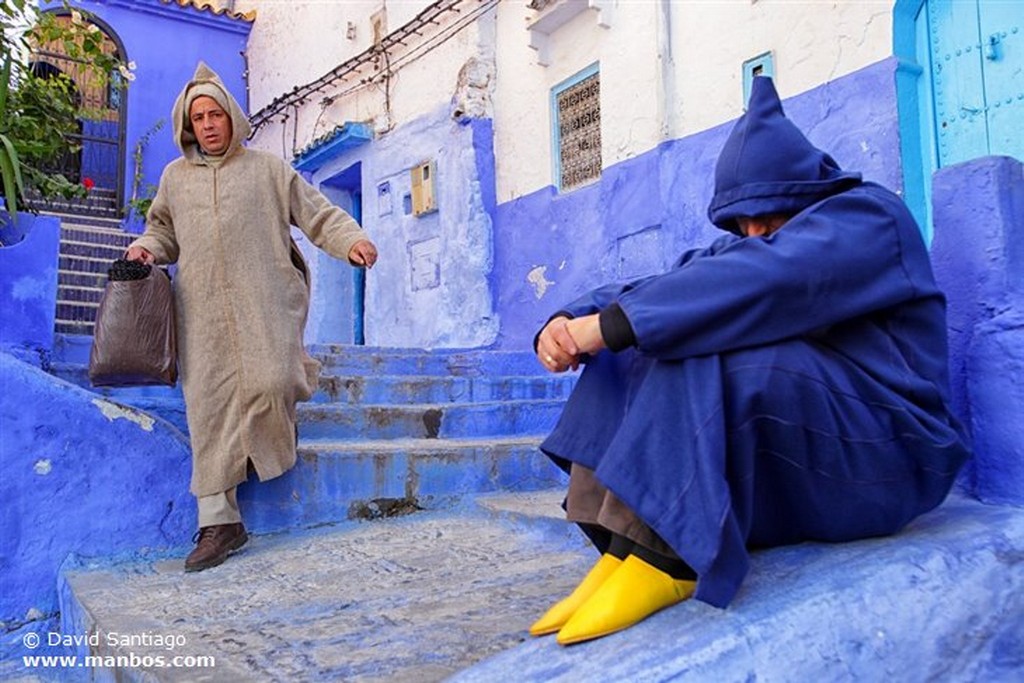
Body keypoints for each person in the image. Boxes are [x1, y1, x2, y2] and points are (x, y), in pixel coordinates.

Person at [530, 77, 970, 646]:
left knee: (690, 330)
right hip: (817, 456)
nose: (754, 233)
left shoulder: (869, 218)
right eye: (742, 223)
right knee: (637, 337)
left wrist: (611, 324)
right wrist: (568, 321)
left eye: (770, 216)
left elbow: (771, 276)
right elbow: (668, 282)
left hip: (900, 453)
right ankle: (622, 546)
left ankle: (668, 558)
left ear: (805, 191)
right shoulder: (749, 242)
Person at [125, 62, 378, 572]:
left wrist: (351, 239)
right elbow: (163, 234)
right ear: (187, 127)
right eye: (199, 118)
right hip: (201, 314)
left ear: (233, 118)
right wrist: (146, 249)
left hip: (265, 301)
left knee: (271, 380)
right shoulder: (175, 179)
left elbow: (318, 213)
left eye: (216, 114)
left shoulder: (268, 169)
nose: (209, 124)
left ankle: (271, 443)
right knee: (209, 409)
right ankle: (220, 523)